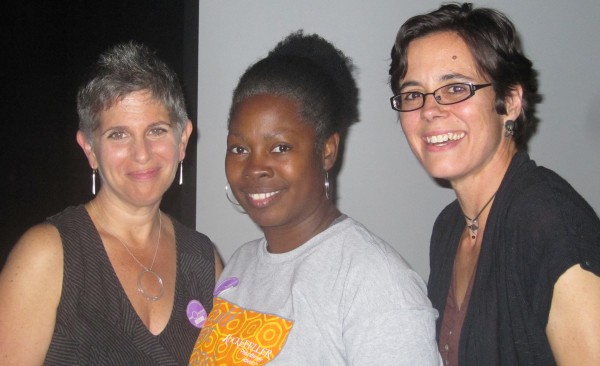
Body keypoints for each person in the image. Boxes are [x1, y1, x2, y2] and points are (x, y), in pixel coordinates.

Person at [188, 31, 441, 365]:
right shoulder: (242, 263)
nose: (254, 168)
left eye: (280, 147)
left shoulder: (376, 285)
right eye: (239, 148)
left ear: (326, 151)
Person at [388, 3, 600, 365]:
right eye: (412, 94)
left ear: (511, 102)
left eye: (455, 88)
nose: (429, 110)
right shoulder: (449, 226)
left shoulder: (548, 223)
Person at [0, 42, 223, 365]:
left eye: (157, 130)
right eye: (118, 135)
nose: (142, 153)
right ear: (89, 148)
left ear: (183, 140)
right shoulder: (48, 255)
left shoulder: (203, 260)